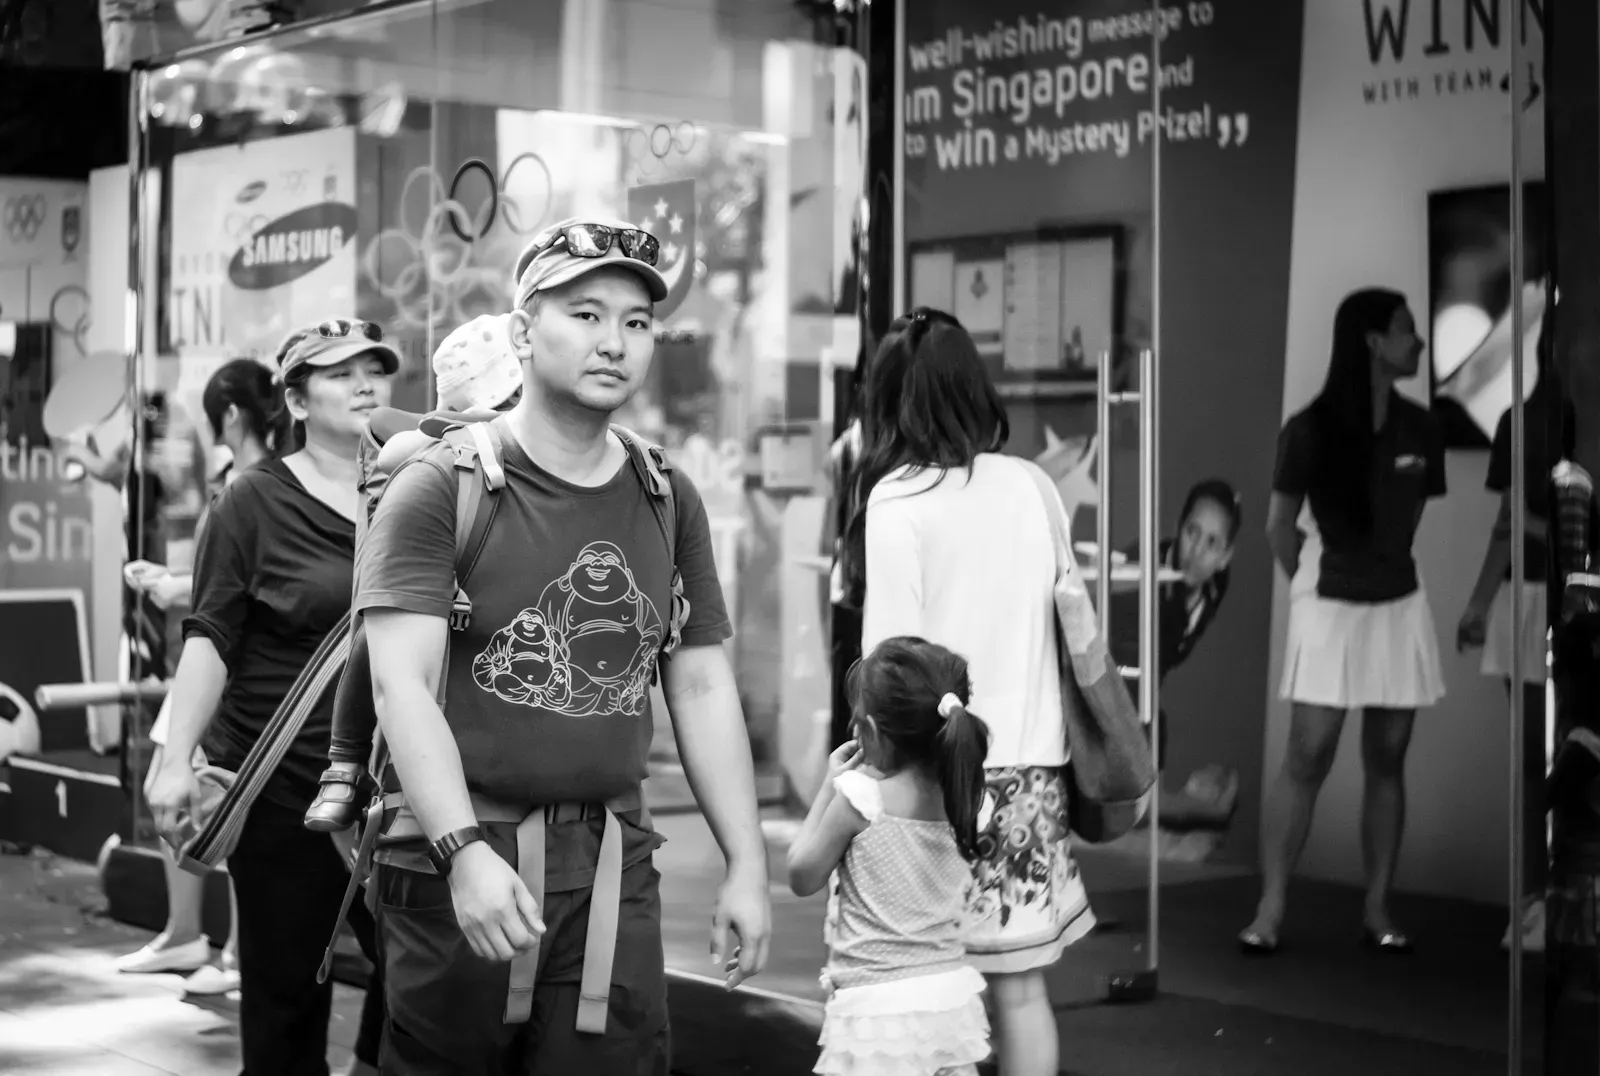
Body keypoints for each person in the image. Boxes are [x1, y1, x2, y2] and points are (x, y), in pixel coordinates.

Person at [354, 217, 771, 1074]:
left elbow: (698, 686)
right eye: (584, 315)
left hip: (613, 868)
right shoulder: (442, 486)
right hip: (459, 859)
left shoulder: (665, 494)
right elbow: (403, 688)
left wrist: (747, 863)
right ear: (522, 330)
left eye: (635, 321)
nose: (613, 342)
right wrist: (461, 854)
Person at [147, 319, 400, 1076]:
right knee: (286, 1006)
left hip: (395, 786)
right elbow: (211, 636)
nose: (364, 384)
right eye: (337, 373)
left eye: (375, 370)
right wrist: (173, 758)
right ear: (294, 399)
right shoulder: (249, 503)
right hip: (285, 787)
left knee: (419, 982)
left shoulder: (417, 490)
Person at [852, 307, 1094, 1076]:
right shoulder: (1033, 487)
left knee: (914, 983)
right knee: (1022, 992)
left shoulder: (896, 500)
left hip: (932, 778)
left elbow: (887, 666)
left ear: (889, 398)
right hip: (1033, 780)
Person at [1240, 288, 1446, 956]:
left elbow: (1410, 520)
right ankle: (1270, 909)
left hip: (1398, 603)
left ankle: (1378, 907)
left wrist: (1375, 573)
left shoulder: (1423, 429)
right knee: (1307, 755)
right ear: (1372, 342)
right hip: (1328, 601)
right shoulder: (1310, 427)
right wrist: (1314, 591)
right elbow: (1278, 526)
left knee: (1388, 757)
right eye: (1406, 331)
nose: (1417, 343)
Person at [303, 313, 525, 830]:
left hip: (494, 577)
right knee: (373, 643)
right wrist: (465, 430)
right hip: (429, 575)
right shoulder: (431, 438)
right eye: (508, 400)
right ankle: (344, 760)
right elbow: (394, 445)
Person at [119, 358, 287, 996]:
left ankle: (239, 952)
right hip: (214, 656)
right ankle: (187, 932)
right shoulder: (241, 479)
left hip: (240, 668)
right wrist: (173, 585)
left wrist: (173, 587)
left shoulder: (266, 483)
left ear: (233, 416)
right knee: (178, 775)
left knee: (239, 802)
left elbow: (248, 590)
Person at [787, 635, 993, 1076]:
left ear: (873, 732)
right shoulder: (970, 801)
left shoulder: (860, 799)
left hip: (875, 1014)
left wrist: (829, 786)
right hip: (949, 1001)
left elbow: (802, 874)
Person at [1457, 311, 1570, 952]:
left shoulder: (1519, 420)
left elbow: (1512, 524)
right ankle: (1541, 902)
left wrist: (1477, 604)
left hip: (1532, 601)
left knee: (1539, 760)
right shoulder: (1522, 421)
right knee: (1547, 759)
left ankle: (1537, 901)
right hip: (1536, 600)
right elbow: (1510, 526)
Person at [1107, 479, 1243, 833]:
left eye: (1212, 543)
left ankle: (1179, 808)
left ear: (1226, 556)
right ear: (1179, 530)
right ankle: (1200, 811)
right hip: (1105, 688)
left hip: (1143, 689)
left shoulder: (1215, 586)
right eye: (1192, 532)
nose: (1196, 550)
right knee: (1153, 729)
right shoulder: (1144, 575)